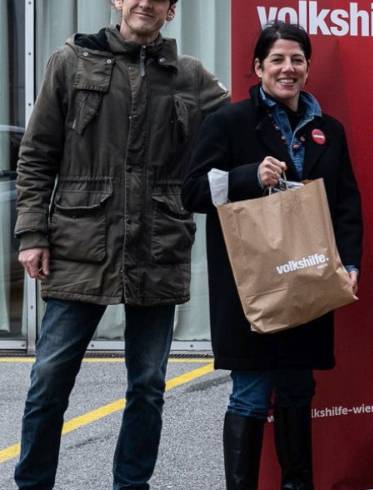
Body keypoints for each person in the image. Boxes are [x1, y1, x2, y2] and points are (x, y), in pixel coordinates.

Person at [11, 0, 229, 487]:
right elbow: (37, 153)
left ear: (171, 11)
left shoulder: (189, 76)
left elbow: (239, 128)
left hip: (158, 245)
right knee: (49, 380)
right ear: (117, 0)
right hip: (78, 243)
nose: (145, 3)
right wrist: (32, 233)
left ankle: (132, 484)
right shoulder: (70, 62)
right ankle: (32, 483)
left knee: (148, 385)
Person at [179, 22, 362, 489]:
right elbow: (192, 192)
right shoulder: (229, 122)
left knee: (299, 391)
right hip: (252, 284)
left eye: (297, 59)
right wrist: (246, 177)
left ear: (307, 67)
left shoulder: (329, 130)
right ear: (258, 67)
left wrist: (351, 265)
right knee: (250, 395)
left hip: (310, 279)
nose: (288, 69)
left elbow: (346, 205)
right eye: (277, 59)